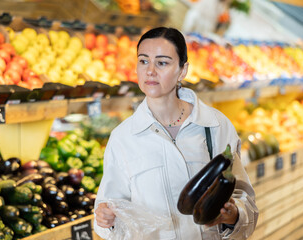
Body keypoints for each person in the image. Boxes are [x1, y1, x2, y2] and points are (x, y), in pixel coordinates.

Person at [94, 27, 258, 239]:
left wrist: (235, 215)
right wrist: (106, 219)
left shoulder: (216, 126)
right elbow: (108, 209)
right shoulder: (123, 138)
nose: (150, 71)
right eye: (143, 61)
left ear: (182, 70)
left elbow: (246, 203)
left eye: (162, 62)